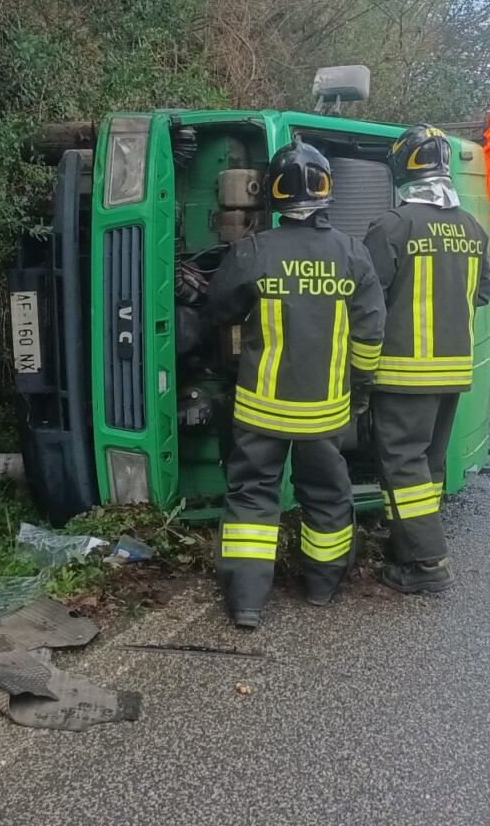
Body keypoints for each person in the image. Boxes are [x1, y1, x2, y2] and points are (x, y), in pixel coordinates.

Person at [207, 140, 385, 628]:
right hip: (326, 411)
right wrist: (360, 390)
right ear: (328, 190)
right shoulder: (353, 256)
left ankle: (246, 603)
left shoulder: (253, 252)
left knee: (251, 498)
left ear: (274, 194)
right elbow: (370, 336)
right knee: (327, 495)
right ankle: (321, 588)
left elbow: (219, 311)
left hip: (260, 409)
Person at [363, 126, 490, 594]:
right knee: (428, 466)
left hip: (401, 372)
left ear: (402, 167)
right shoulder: (472, 228)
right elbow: (481, 294)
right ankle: (405, 545)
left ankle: (428, 563)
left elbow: (364, 298)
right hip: (453, 371)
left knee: (402, 464)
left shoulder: (393, 225)